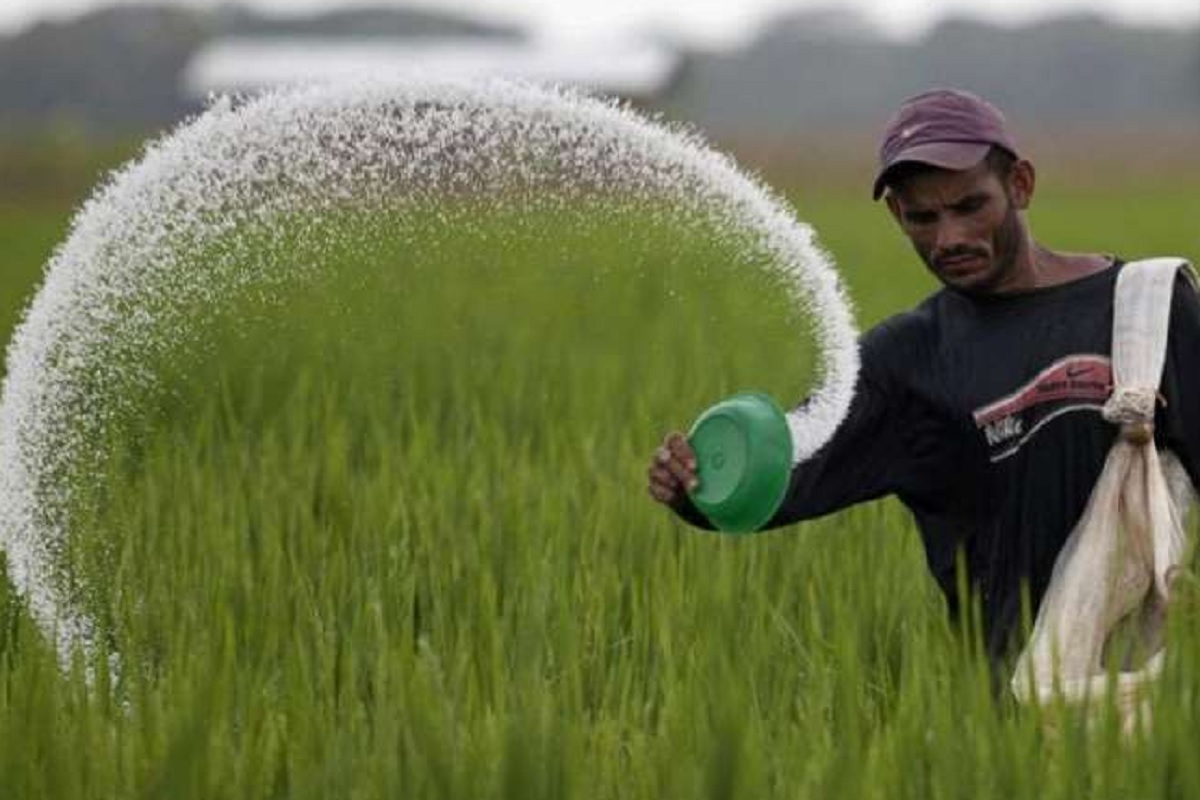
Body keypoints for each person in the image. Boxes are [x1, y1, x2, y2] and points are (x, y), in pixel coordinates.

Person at [646, 87, 1200, 661]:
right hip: (1019, 707)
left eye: (969, 207)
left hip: (1165, 686)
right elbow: (790, 474)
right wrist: (696, 485)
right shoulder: (908, 361)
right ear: (896, 214)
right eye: (923, 217)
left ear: (1020, 185)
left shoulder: (1148, 309)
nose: (949, 238)